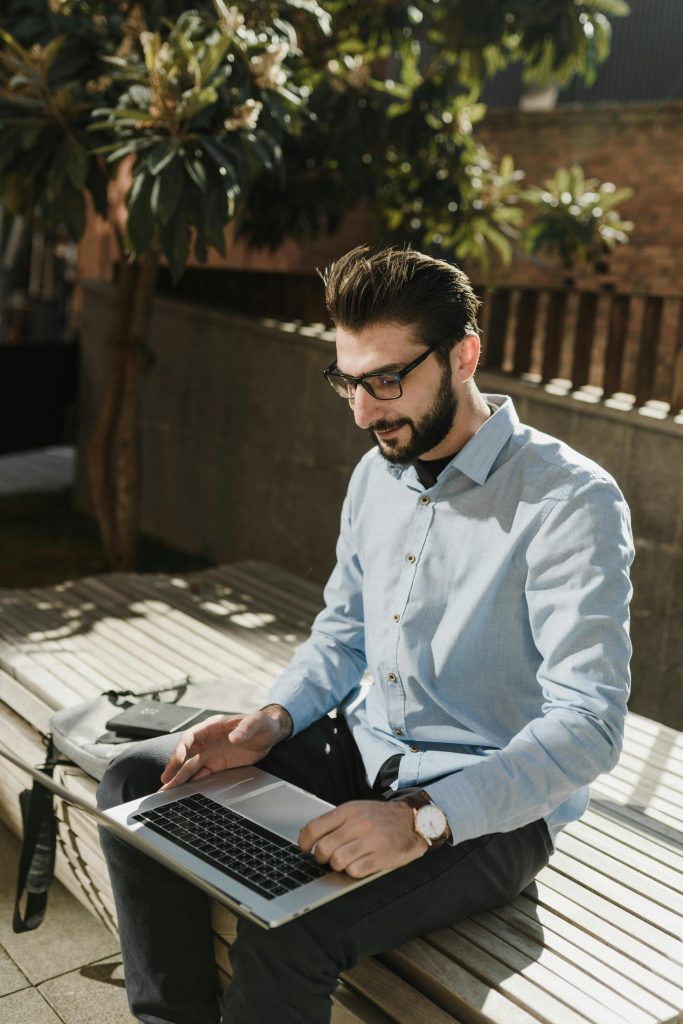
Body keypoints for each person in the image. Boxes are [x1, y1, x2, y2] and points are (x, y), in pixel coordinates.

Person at [98, 244, 634, 1024]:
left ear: (462, 357)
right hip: (359, 750)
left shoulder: (569, 500)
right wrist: (269, 721)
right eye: (347, 381)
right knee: (139, 783)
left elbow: (589, 724)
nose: (361, 411)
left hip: (482, 807)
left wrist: (421, 819)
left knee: (288, 933)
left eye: (386, 381)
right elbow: (344, 632)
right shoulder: (374, 473)